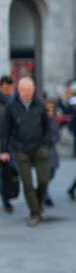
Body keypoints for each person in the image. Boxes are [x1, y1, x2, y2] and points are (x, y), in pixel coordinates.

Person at [0, 77, 51, 227]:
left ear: (33, 90)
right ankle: (35, 213)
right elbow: (5, 131)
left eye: (29, 91)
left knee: (44, 179)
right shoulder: (12, 107)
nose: (26, 94)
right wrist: (4, 151)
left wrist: (45, 143)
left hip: (39, 147)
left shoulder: (40, 106)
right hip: (20, 149)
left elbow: (47, 127)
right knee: (27, 183)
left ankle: (38, 201)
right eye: (24, 91)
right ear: (19, 90)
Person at [0, 75, 16, 213]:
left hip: (10, 142)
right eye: (5, 87)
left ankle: (7, 199)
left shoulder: (14, 101)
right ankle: (6, 199)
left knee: (8, 172)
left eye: (10, 87)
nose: (8, 90)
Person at [44, 100, 61, 207]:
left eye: (52, 109)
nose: (50, 111)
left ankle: (42, 191)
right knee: (44, 175)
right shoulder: (39, 120)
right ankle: (45, 195)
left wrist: (53, 140)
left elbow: (57, 134)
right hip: (42, 150)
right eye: (48, 109)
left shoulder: (53, 120)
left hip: (52, 151)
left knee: (52, 172)